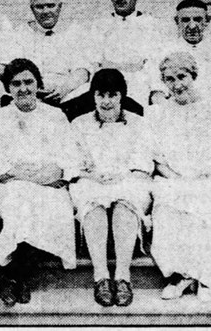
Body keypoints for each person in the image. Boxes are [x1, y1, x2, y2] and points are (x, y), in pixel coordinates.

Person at [149, 52, 211, 302]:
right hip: (177, 178)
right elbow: (157, 159)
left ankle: (209, 277)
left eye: (182, 77)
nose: (177, 85)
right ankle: (181, 275)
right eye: (170, 79)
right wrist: (179, 178)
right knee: (170, 200)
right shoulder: (160, 113)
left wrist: (206, 177)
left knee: (207, 199)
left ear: (193, 75)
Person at [0, 58, 79, 307]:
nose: (23, 88)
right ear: (8, 88)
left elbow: (69, 157)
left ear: (38, 84)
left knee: (51, 205)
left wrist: (53, 174)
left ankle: (14, 278)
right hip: (13, 184)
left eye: (28, 82)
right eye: (16, 83)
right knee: (20, 200)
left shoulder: (55, 116)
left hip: (50, 184)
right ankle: (21, 278)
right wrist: (28, 177)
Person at [68, 69, 153, 307]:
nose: (106, 101)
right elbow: (72, 162)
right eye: (100, 95)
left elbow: (143, 162)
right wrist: (93, 174)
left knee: (125, 203)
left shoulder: (139, 124)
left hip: (129, 179)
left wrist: (121, 175)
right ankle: (101, 276)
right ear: (93, 96)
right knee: (93, 203)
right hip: (92, 181)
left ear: (121, 96)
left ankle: (123, 277)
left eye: (112, 95)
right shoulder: (79, 124)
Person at [76, 0, 167, 113]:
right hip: (104, 85)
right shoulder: (99, 24)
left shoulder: (151, 25)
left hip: (138, 87)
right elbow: (93, 62)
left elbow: (154, 63)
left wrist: (157, 91)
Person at [12, 0, 91, 108]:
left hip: (67, 95)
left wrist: (64, 89)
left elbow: (82, 71)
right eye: (39, 7)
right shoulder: (19, 34)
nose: (46, 11)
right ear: (31, 9)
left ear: (60, 6)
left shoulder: (74, 32)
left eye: (50, 5)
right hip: (30, 94)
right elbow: (14, 71)